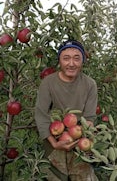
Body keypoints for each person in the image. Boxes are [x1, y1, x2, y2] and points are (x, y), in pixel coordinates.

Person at [34, 40, 99, 181]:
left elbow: (89, 117)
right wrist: (54, 143)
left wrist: (80, 140)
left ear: (83, 60)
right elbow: (41, 115)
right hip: (54, 143)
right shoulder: (48, 83)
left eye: (76, 58)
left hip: (79, 141)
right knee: (54, 176)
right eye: (66, 58)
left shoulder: (89, 84)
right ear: (59, 61)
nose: (71, 63)